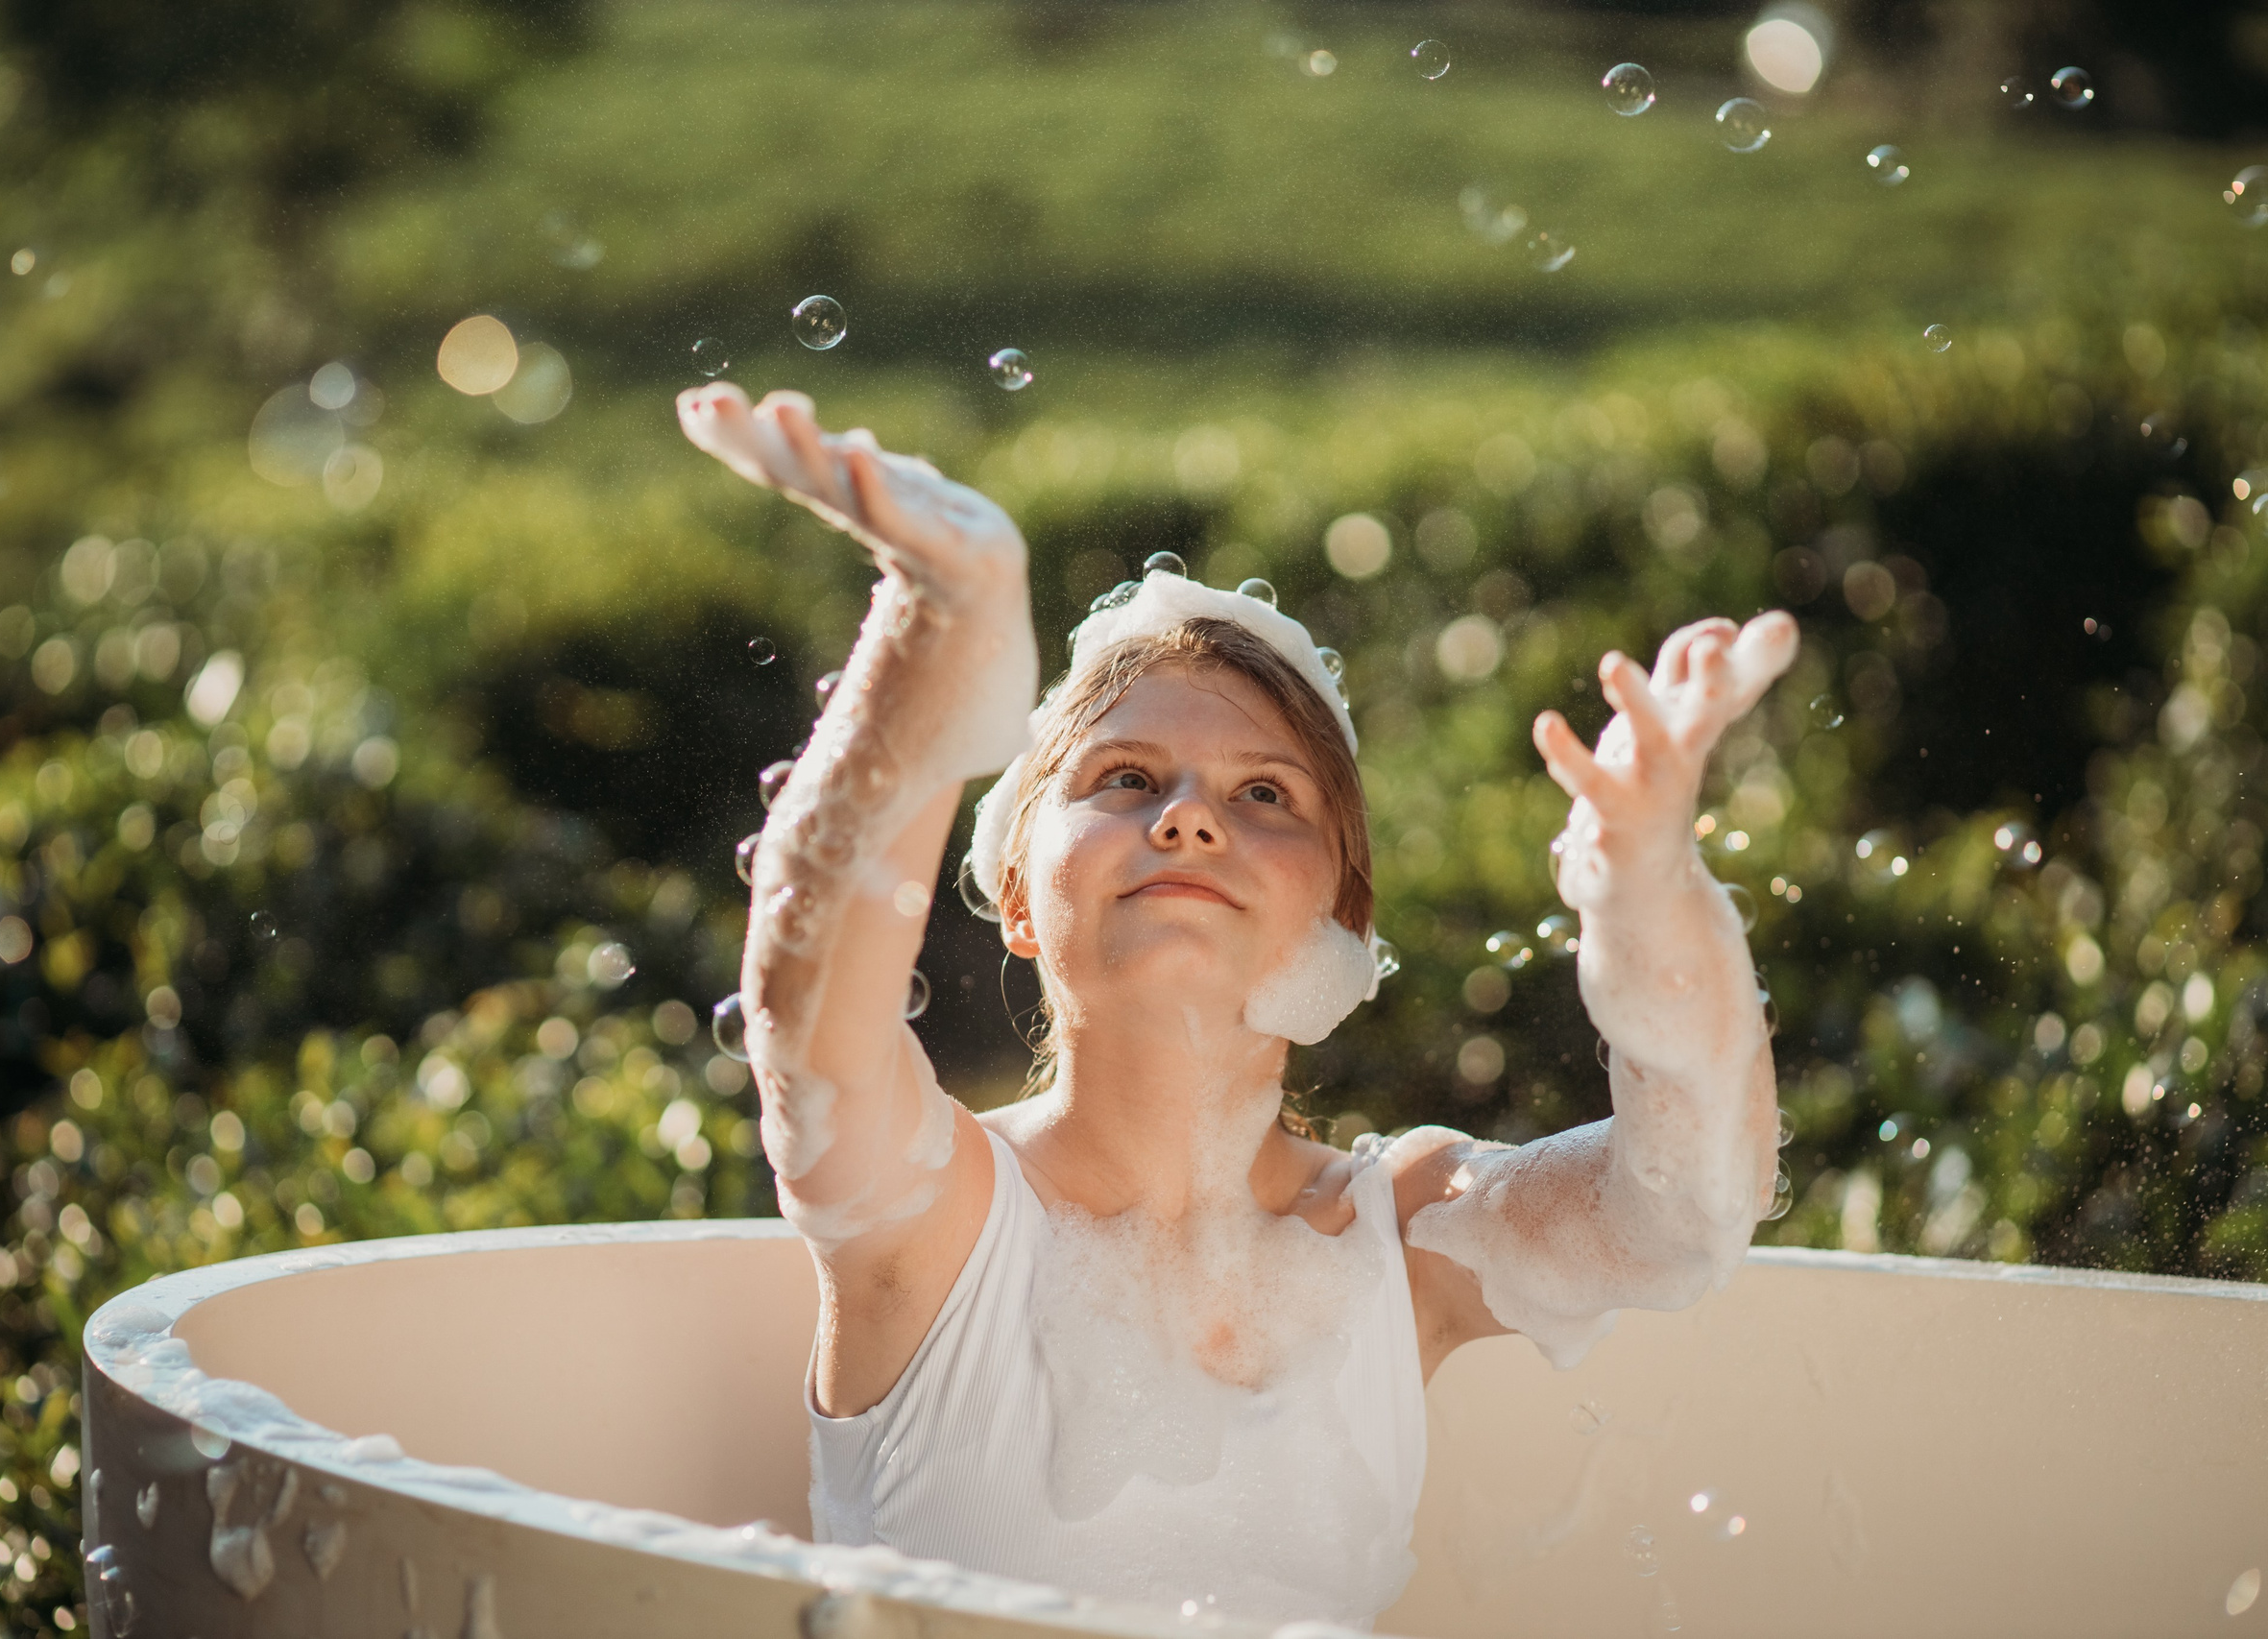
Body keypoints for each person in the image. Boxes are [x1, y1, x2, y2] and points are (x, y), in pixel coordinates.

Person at [679, 381, 1797, 1629]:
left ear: (1339, 924)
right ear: (1021, 896)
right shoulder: (935, 1214)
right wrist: (943, 624)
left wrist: (1647, 890)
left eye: (1267, 797)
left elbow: (1688, 1207)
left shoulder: (1405, 1235)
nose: (1189, 816)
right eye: (1126, 775)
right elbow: (805, 1007)